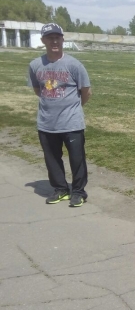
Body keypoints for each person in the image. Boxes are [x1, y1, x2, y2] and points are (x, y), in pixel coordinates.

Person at [28, 23, 92, 207]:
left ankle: (78, 192)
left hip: (72, 122)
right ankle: (61, 189)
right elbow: (38, 89)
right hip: (46, 123)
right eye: (50, 38)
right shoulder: (35, 65)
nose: (54, 41)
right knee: (52, 159)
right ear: (43, 40)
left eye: (57, 37)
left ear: (63, 39)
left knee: (77, 160)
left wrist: (73, 108)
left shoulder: (74, 65)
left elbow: (86, 91)